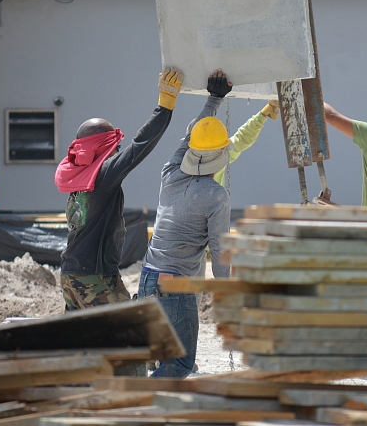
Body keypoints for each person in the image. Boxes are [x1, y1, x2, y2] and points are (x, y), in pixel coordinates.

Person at [54, 67, 184, 311]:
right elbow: (139, 146)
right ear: (106, 147)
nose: (117, 152)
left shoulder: (80, 178)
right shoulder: (103, 174)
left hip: (73, 274)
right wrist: (165, 105)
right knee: (132, 328)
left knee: (84, 342)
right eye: (115, 147)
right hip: (93, 276)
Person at [138, 69, 233, 378]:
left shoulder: (170, 171)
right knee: (178, 365)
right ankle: (137, 409)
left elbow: (191, 133)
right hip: (176, 288)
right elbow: (220, 255)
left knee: (168, 361)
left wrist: (214, 99)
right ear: (222, 155)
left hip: (147, 281)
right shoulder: (216, 196)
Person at [213, 99, 279, 187]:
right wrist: (263, 114)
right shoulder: (216, 157)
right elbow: (242, 139)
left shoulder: (214, 157)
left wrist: (264, 113)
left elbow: (242, 139)